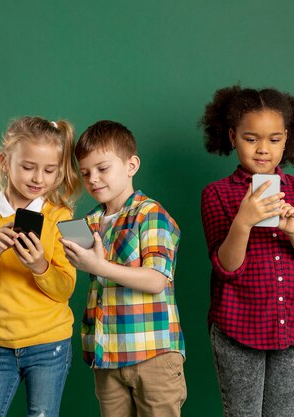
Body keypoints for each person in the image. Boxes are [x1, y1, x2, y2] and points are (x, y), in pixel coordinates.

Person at [199, 85, 294, 417]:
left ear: (287, 138)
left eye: (274, 139)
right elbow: (226, 267)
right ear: (232, 136)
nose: (263, 149)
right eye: (250, 138)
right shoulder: (216, 195)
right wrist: (243, 221)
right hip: (237, 331)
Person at [0, 116, 80, 417]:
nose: (39, 178)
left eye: (50, 170)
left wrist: (40, 266)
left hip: (49, 344)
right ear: (4, 161)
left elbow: (66, 288)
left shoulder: (64, 216)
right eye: (28, 167)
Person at [60, 120, 186, 417]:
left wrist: (99, 266)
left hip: (153, 355)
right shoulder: (88, 222)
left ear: (131, 165)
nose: (93, 179)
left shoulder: (150, 214)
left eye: (102, 169)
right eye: (86, 172)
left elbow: (156, 280)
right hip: (106, 356)